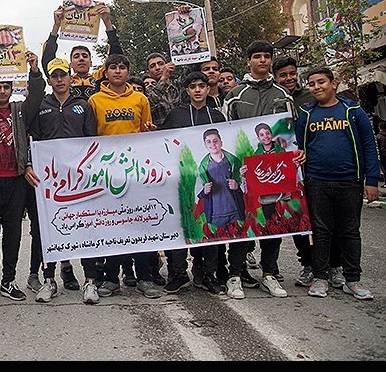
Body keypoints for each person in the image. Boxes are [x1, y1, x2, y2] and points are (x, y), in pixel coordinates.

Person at [40, 0, 122, 291]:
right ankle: (65, 269)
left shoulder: (100, 82)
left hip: (88, 160)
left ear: (91, 61)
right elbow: (47, 60)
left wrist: (108, 23)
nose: (81, 59)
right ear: (69, 65)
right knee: (60, 217)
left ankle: (95, 269)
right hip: (57, 167)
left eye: (85, 55)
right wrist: (57, 26)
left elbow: (118, 58)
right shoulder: (59, 85)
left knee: (89, 217)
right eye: (76, 56)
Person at [295, 67, 377, 301]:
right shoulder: (307, 114)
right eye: (311, 84)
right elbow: (298, 145)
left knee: (350, 231)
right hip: (317, 181)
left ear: (334, 83)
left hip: (349, 181)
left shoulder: (353, 111)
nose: (316, 87)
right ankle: (321, 277)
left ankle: (353, 279)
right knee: (320, 231)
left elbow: (369, 146)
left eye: (321, 82)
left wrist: (371, 180)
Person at [0, 48, 44, 306]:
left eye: (6, 86)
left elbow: (37, 94)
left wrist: (34, 70)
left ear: (11, 88)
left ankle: (8, 281)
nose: (1, 91)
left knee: (13, 233)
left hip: (16, 179)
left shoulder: (21, 110)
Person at [87, 53, 161, 301]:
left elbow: (146, 132)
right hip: (107, 173)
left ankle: (144, 277)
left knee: (139, 224)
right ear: (105, 73)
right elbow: (90, 138)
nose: (118, 71)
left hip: (135, 171)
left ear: (128, 72)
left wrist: (151, 132)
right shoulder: (95, 101)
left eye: (122, 68)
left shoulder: (141, 99)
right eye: (113, 68)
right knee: (112, 228)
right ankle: (110, 278)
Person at [222, 41, 292, 300]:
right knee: (244, 223)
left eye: (266, 56)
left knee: (274, 221)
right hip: (244, 170)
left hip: (274, 171)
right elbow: (226, 133)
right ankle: (235, 276)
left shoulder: (283, 95)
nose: (262, 60)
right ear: (248, 61)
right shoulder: (235, 96)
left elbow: (289, 133)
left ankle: (270, 273)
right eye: (257, 57)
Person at [25, 57, 97, 302]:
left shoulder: (83, 105)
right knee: (50, 229)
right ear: (49, 80)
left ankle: (90, 280)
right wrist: (29, 164)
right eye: (54, 76)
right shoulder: (41, 106)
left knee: (85, 227)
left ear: (70, 77)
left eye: (62, 75)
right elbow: (32, 139)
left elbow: (92, 140)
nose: (59, 80)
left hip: (79, 178)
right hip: (50, 180)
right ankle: (49, 280)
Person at [160, 72, 227, 295]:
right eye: (193, 86)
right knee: (180, 226)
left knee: (210, 226)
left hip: (212, 181)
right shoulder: (175, 115)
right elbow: (162, 144)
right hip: (182, 181)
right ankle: (178, 272)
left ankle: (207, 273)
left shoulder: (217, 116)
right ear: (187, 91)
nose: (197, 90)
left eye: (201, 86)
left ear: (208, 89)